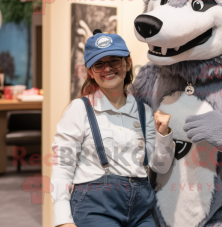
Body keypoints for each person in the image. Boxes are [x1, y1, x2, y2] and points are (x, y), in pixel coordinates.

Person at [50, 29, 176, 227]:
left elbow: (160, 166)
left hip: (142, 210)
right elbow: (62, 166)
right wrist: (63, 220)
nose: (107, 68)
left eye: (114, 61)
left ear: (127, 63)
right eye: (98, 64)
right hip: (94, 208)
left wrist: (163, 135)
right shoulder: (79, 109)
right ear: (91, 72)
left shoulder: (143, 111)